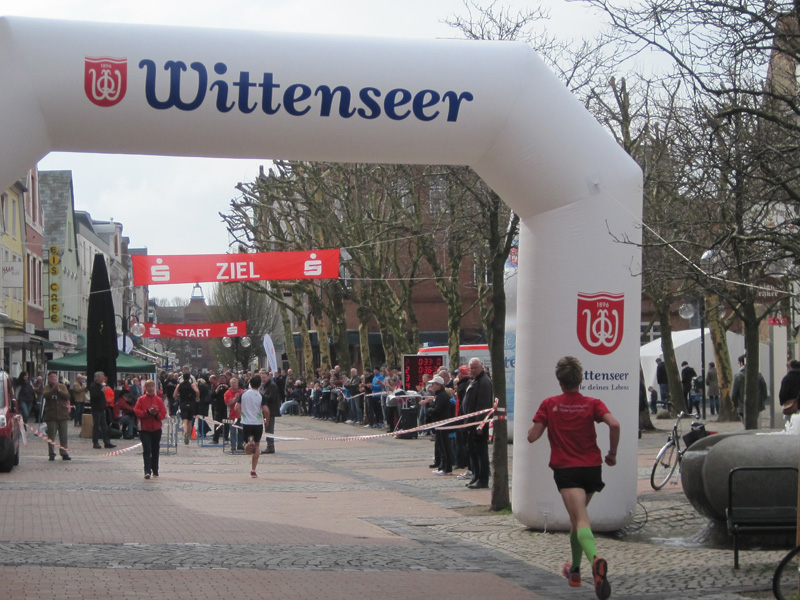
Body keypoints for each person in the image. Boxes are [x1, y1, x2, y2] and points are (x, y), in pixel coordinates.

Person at [527, 356, 618, 600]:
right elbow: (614, 424)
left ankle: (595, 561)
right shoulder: (593, 403)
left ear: (560, 381)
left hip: (567, 470)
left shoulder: (549, 403)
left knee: (581, 520)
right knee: (577, 520)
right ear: (580, 378)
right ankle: (575, 572)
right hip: (592, 468)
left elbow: (532, 437)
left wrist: (533, 427)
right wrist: (612, 453)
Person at [462, 357, 493, 489]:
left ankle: (482, 478)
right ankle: (475, 475)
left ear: (481, 367)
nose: (473, 370)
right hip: (470, 423)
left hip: (478, 424)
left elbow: (483, 406)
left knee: (481, 452)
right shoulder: (474, 381)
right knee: (473, 451)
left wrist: (480, 425)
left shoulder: (484, 382)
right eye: (471, 368)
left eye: (475, 367)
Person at [237, 375, 270, 477]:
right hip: (257, 423)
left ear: (250, 383)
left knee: (247, 446)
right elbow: (266, 410)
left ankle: (248, 444)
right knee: (257, 446)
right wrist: (267, 420)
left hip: (246, 422)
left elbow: (236, 407)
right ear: (260, 384)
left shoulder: (243, 395)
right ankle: (253, 470)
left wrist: (241, 416)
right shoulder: (261, 396)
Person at [134, 379, 167, 479]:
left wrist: (156, 414)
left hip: (156, 428)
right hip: (145, 429)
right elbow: (137, 412)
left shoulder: (159, 400)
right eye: (148, 386)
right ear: (145, 388)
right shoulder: (141, 399)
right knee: (147, 449)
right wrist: (148, 412)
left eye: (152, 386)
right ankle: (147, 470)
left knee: (155, 449)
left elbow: (163, 414)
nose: (151, 388)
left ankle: (155, 470)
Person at [41, 371, 72, 461]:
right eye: (51, 377)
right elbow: (45, 395)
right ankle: (51, 453)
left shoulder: (62, 386)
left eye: (54, 377)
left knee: (63, 436)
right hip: (51, 416)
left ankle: (64, 453)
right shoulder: (46, 388)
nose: (53, 378)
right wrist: (53, 389)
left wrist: (59, 390)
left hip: (63, 415)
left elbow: (67, 396)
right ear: (48, 378)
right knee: (51, 436)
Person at [427, 375, 455, 475]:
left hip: (443, 424)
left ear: (439, 385)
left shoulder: (442, 396)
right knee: (441, 446)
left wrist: (429, 409)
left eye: (434, 384)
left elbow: (437, 410)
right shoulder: (439, 395)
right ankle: (442, 466)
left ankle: (447, 468)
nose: (432, 386)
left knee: (445, 446)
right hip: (439, 424)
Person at [89, 371, 115, 449]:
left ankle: (107, 442)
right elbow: (94, 397)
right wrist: (101, 391)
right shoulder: (93, 386)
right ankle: (95, 442)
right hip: (96, 409)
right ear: (98, 378)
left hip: (102, 408)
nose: (103, 378)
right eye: (102, 377)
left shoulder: (101, 386)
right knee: (96, 426)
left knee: (104, 426)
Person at [174, 372, 199, 445]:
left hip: (183, 403)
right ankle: (188, 437)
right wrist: (197, 398)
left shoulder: (179, 385)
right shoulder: (192, 385)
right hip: (191, 403)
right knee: (190, 421)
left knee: (184, 421)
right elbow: (197, 391)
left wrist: (177, 397)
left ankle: (185, 432)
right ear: (189, 378)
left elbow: (174, 394)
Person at [259, 370, 280, 454]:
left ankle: (270, 446)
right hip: (266, 410)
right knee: (267, 428)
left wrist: (261, 396)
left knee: (269, 428)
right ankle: (269, 445)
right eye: (262, 378)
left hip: (271, 410)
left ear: (268, 376)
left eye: (264, 377)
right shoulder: (265, 386)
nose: (263, 379)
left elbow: (272, 397)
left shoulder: (272, 386)